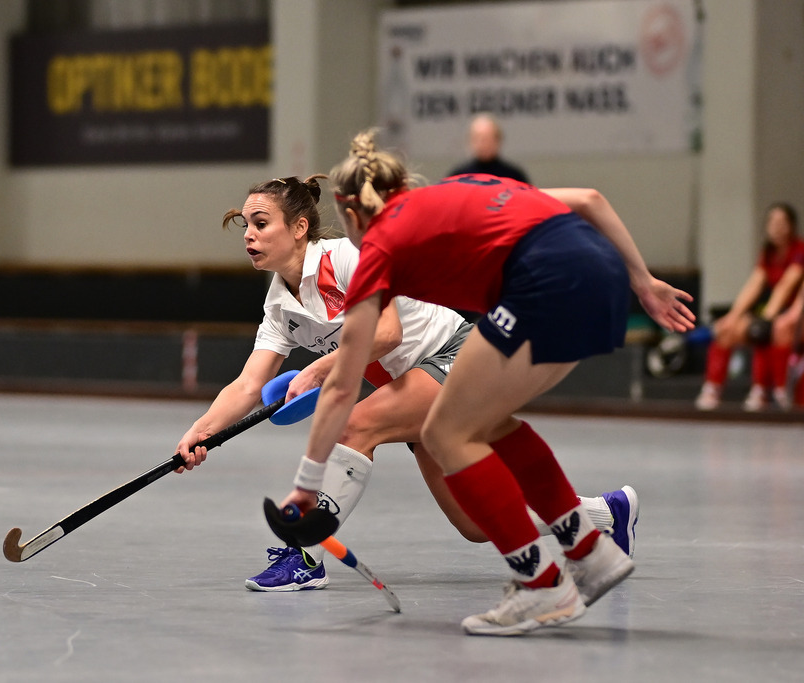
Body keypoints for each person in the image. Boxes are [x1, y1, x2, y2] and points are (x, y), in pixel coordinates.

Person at [278, 130, 694, 636]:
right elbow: (591, 200)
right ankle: (590, 553)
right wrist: (643, 282)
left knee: (444, 433)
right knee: (487, 423)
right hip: (604, 279)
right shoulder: (463, 186)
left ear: (350, 210)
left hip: (545, 285)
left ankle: (542, 584)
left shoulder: (379, 248)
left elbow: (342, 388)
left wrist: (305, 486)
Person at [175, 175, 639, 593]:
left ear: (299, 228)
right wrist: (202, 431)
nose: (250, 235)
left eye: (261, 222)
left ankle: (305, 555)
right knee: (476, 525)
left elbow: (387, 333)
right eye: (246, 227)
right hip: (408, 383)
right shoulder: (279, 307)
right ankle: (606, 513)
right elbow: (248, 385)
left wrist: (320, 368)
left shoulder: (345, 256)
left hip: (452, 355)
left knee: (355, 426)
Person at [695, 203, 804, 411]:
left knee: (778, 329)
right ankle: (714, 390)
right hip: (775, 313)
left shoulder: (799, 250)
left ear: (791, 226)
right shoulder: (767, 254)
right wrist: (734, 315)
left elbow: (786, 286)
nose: (776, 227)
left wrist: (769, 317)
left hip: (795, 316)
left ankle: (781, 392)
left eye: (782, 223)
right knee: (726, 329)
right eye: (772, 222)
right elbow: (754, 285)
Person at [445, 113, 530, 183]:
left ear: (498, 140)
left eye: (487, 139)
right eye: (477, 138)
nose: (482, 143)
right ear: (470, 140)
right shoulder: (458, 176)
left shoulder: (513, 176)